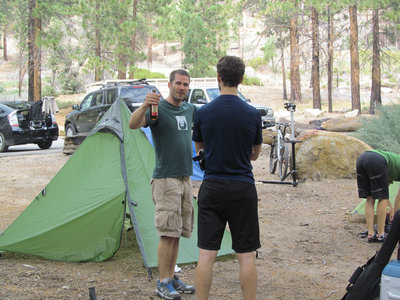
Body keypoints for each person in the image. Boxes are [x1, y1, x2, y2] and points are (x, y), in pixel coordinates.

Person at [192, 56, 262, 300]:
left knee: (206, 254)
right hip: (242, 188)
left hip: (212, 187)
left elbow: (198, 146)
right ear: (241, 79)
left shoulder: (203, 113)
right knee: (246, 254)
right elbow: (254, 154)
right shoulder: (253, 114)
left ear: (218, 78)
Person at [129, 70, 196, 300]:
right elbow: (132, 124)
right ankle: (162, 282)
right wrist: (144, 106)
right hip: (165, 179)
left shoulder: (189, 109)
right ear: (169, 84)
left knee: (176, 233)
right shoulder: (158, 108)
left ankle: (171, 277)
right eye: (178, 83)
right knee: (167, 234)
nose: (181, 87)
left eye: (185, 84)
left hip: (185, 179)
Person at [356, 149, 400, 243]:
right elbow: (398, 199)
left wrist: (391, 208)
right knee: (383, 198)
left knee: (370, 198)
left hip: (362, 158)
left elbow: (383, 191)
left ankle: (371, 234)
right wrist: (396, 221)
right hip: (377, 160)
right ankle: (381, 234)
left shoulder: (393, 166)